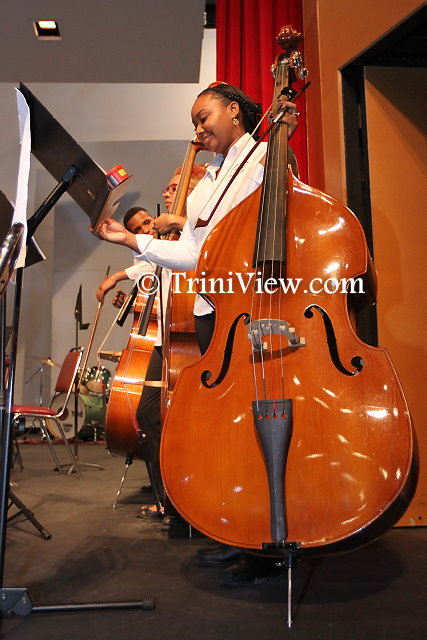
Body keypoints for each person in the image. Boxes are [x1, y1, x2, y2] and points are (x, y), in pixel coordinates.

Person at [92, 83, 299, 580]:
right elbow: (190, 253)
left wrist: (280, 144)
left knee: (257, 424)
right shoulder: (206, 185)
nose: (199, 129)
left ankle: (270, 538)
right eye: (194, 123)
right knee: (230, 425)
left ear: (234, 111)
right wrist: (131, 240)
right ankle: (241, 531)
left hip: (251, 306)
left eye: (204, 117)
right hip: (211, 311)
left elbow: (279, 223)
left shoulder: (265, 158)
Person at [97, 166, 207, 519]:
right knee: (149, 413)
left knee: (172, 416)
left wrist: (118, 275)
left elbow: (201, 251)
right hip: (169, 334)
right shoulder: (170, 235)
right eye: (169, 186)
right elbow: (151, 269)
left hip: (191, 330)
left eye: (175, 186)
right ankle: (171, 498)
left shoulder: (195, 226)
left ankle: (183, 500)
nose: (167, 191)